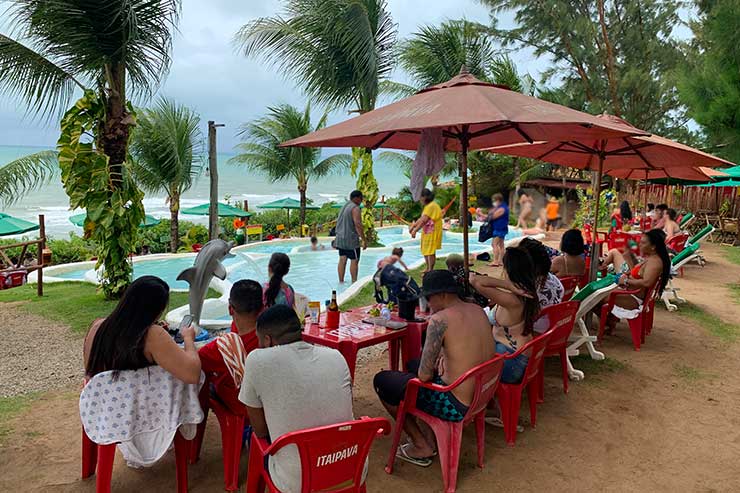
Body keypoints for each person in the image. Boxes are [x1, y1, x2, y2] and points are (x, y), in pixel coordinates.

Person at [374, 270, 495, 466]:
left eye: (429, 298)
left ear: (443, 295)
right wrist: (443, 356)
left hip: (455, 404)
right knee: (412, 364)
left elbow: (423, 376)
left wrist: (437, 361)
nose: (428, 304)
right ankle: (430, 434)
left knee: (383, 381)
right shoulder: (477, 309)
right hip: (483, 393)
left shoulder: (440, 320)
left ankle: (421, 445)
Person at [239, 305, 355, 493]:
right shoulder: (336, 357)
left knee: (257, 443)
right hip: (349, 468)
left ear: (267, 340)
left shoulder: (257, 361)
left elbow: (260, 431)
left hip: (297, 481)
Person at [84, 276, 201, 384]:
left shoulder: (97, 327)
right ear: (156, 309)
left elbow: (91, 371)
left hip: (102, 403)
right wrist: (188, 338)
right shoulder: (152, 335)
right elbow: (192, 375)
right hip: (139, 405)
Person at [469, 247, 540, 384]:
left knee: (462, 357)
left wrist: (507, 285)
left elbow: (474, 280)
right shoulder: (526, 293)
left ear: (509, 270)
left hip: (511, 363)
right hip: (512, 355)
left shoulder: (513, 300)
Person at [198, 280, 264, 413]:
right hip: (266, 399)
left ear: (230, 309)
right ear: (262, 308)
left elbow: (193, 361)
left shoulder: (219, 348)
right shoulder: (271, 334)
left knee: (200, 376)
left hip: (241, 405)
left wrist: (188, 338)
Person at [600, 229, 671, 329]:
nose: (640, 244)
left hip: (634, 298)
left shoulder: (654, 262)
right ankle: (610, 320)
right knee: (598, 293)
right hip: (632, 293)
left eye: (643, 242)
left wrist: (625, 281)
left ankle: (608, 322)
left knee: (597, 297)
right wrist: (628, 270)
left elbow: (647, 282)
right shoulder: (651, 258)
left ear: (653, 247)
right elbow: (639, 274)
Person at [335, 190, 366, 283]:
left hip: (340, 237)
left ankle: (341, 281)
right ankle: (354, 282)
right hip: (351, 239)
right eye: (361, 198)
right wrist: (363, 239)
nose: (361, 201)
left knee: (342, 259)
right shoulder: (355, 208)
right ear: (357, 198)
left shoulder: (344, 206)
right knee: (354, 260)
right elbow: (358, 224)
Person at [409, 188, 442, 273]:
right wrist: (414, 226)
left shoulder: (431, 206)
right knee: (425, 249)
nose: (419, 199)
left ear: (425, 197)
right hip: (428, 231)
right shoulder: (429, 206)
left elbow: (424, 220)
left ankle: (430, 270)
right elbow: (421, 219)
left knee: (430, 251)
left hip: (432, 231)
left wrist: (415, 230)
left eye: (420, 197)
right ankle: (428, 268)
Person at [488, 193, 509, 267]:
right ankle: (501, 261)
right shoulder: (503, 207)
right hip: (502, 228)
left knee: (494, 244)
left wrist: (491, 212)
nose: (493, 202)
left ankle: (495, 261)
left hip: (499, 228)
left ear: (498, 200)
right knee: (501, 245)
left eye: (494, 200)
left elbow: (493, 216)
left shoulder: (502, 208)